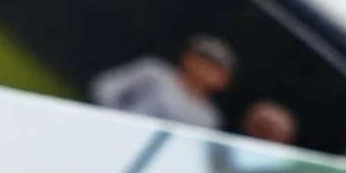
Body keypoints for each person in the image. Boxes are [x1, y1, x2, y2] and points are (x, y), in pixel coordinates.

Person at [90, 36, 236, 129]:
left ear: (223, 80)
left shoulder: (209, 119)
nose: (206, 68)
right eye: (203, 59)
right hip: (112, 132)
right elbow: (104, 87)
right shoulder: (154, 72)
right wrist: (110, 120)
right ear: (188, 56)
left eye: (215, 66)